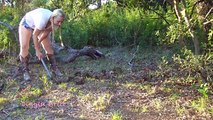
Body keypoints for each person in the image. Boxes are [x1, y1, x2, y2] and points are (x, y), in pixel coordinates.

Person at [19, 8, 65, 81]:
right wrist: (37, 50)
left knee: (48, 47)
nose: (60, 24)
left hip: (40, 27)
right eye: (58, 21)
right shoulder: (42, 20)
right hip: (27, 24)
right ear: (52, 18)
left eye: (61, 22)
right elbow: (35, 35)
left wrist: (38, 42)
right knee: (24, 46)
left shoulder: (54, 23)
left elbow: (46, 32)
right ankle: (25, 71)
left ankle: (54, 69)